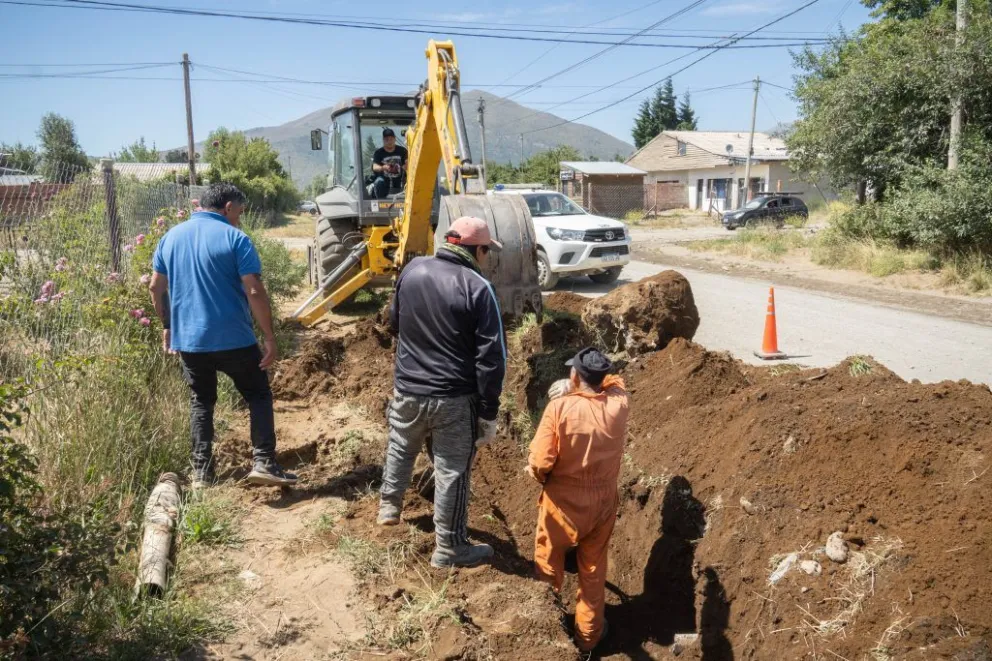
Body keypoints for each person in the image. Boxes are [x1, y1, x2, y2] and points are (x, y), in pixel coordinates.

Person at [149, 183, 298, 489]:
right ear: (228, 207)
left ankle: (202, 473)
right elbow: (254, 290)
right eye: (240, 212)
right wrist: (270, 337)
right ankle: (264, 462)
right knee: (257, 393)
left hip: (189, 340)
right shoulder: (235, 238)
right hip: (234, 338)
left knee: (201, 400)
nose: (240, 220)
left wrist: (167, 326)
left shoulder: (170, 237)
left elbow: (155, 287)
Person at [378, 216, 506, 569]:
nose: (486, 258)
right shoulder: (479, 288)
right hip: (453, 398)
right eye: (486, 252)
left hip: (408, 387)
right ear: (476, 249)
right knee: (453, 470)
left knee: (401, 445)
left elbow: (395, 321)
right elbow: (492, 358)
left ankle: (389, 506)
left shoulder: (413, 270)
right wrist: (488, 412)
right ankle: (450, 548)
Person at [526, 347, 630, 656]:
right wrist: (582, 382)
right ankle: (588, 637)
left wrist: (537, 473)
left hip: (563, 504)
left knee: (548, 564)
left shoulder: (559, 408)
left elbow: (540, 461)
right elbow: (616, 380)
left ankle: (548, 630)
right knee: (593, 570)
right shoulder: (618, 403)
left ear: (574, 375)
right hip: (603, 504)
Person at [369, 128, 408, 199]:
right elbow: (375, 167)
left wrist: (406, 166)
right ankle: (381, 202)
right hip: (384, 184)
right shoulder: (378, 153)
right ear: (383, 140)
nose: (389, 141)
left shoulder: (403, 151)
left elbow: (407, 163)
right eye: (387, 139)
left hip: (400, 182)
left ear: (395, 139)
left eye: (391, 139)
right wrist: (383, 167)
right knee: (379, 182)